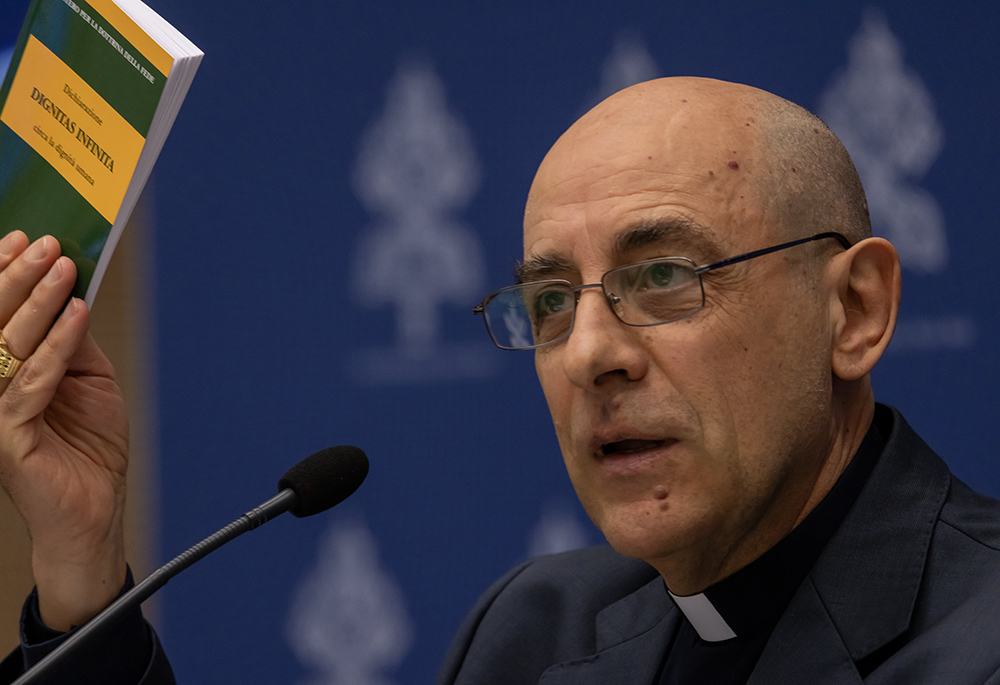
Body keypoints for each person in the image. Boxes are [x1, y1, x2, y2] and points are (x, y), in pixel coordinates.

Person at [1, 76, 999, 684]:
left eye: (662, 276)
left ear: (855, 310)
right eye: (552, 301)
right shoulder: (531, 633)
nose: (592, 353)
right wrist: (81, 565)